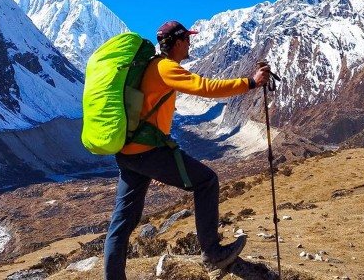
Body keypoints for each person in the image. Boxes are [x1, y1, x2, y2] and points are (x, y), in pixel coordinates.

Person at [103, 21, 271, 279]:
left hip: (129, 152)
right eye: (188, 39)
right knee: (206, 182)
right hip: (148, 151)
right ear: (178, 42)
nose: (190, 44)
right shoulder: (166, 68)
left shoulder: (149, 67)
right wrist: (250, 82)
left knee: (122, 221)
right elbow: (204, 87)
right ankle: (213, 253)